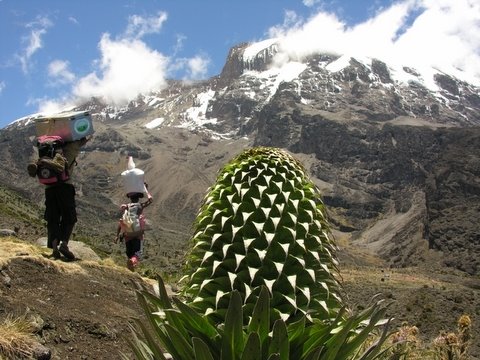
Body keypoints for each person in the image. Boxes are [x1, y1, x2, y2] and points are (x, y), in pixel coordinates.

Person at [28, 137, 89, 260]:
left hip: (49, 189)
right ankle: (64, 244)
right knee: (69, 217)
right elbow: (82, 138)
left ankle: (55, 248)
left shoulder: (46, 150)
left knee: (53, 218)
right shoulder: (71, 148)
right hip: (65, 187)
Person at [115, 187, 152, 271]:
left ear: (130, 198)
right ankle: (132, 262)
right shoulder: (140, 206)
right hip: (138, 234)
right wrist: (146, 189)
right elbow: (150, 200)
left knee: (130, 253)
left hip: (127, 234)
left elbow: (122, 221)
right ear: (138, 198)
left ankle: (130, 265)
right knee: (138, 253)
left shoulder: (126, 208)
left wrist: (117, 235)